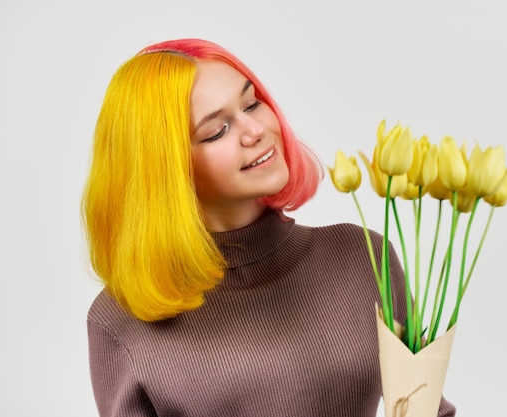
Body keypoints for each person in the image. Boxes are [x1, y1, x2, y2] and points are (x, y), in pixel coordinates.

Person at [82, 38, 456, 417]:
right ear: (167, 171)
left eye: (251, 104)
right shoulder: (121, 322)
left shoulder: (362, 258)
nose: (254, 130)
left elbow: (426, 408)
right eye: (216, 130)